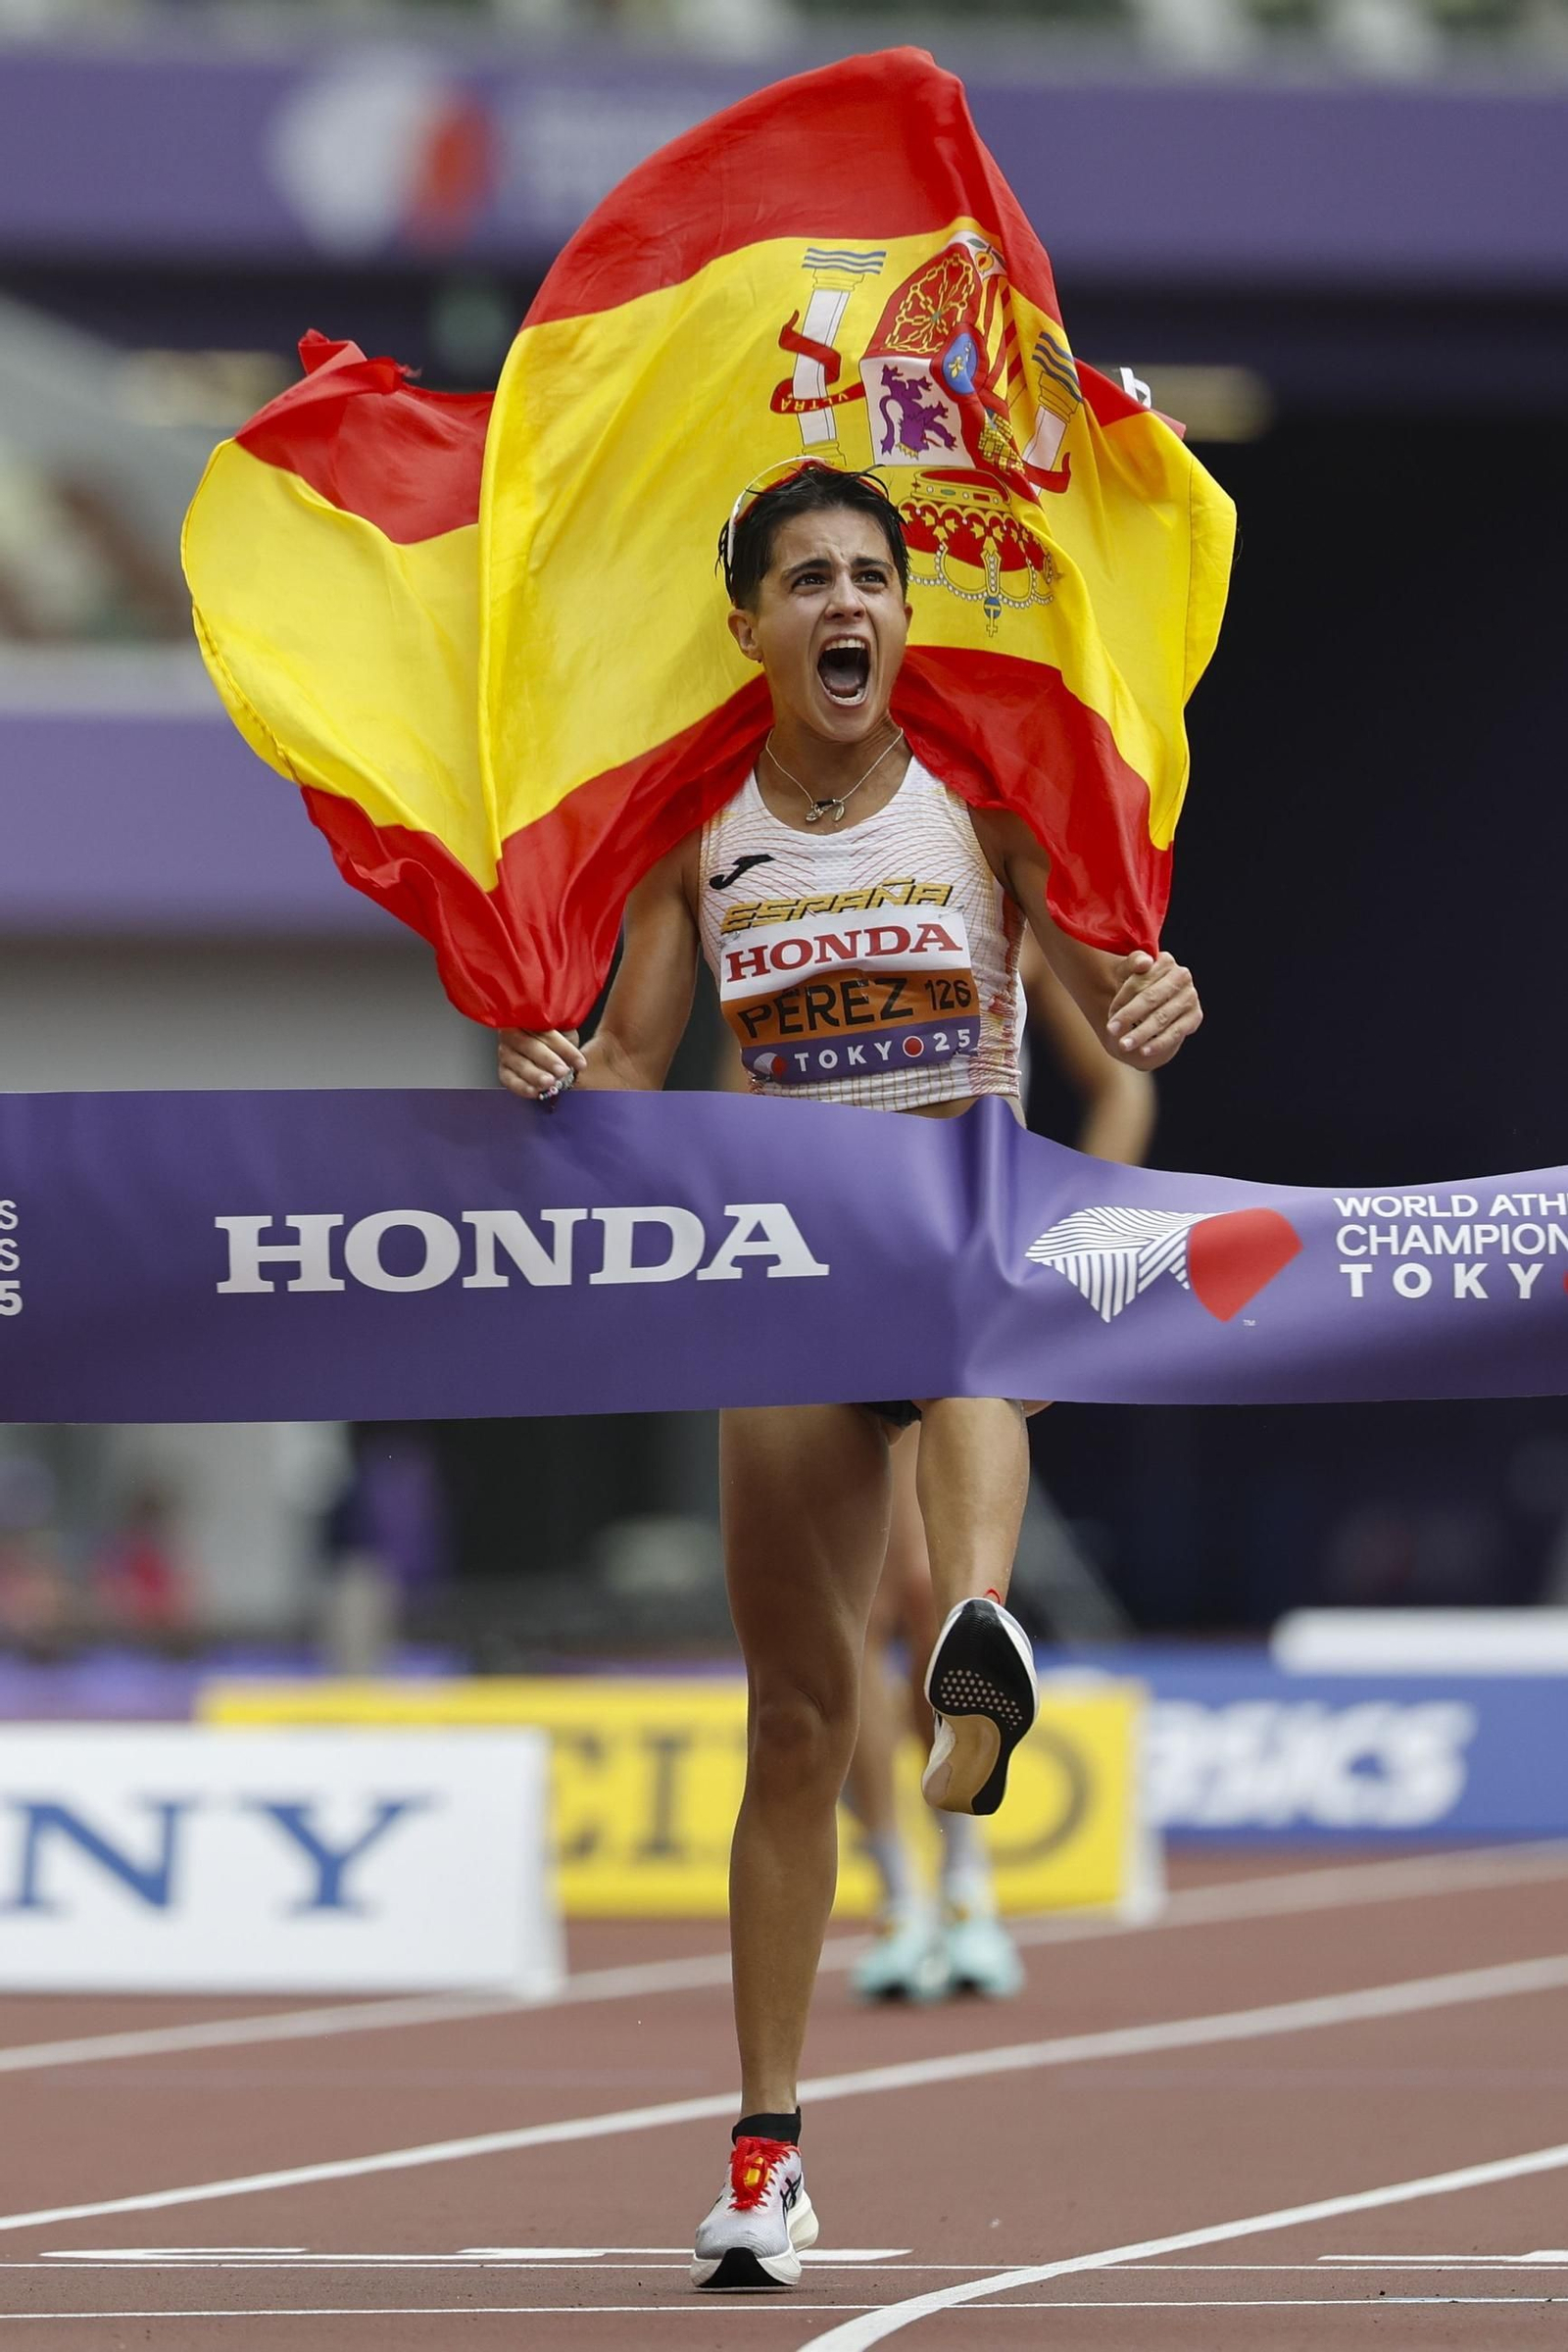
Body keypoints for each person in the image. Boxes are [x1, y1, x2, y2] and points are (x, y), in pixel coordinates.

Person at [497, 464, 1202, 2291]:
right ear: (751, 626)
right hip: (786, 1278)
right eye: (806, 579)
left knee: (980, 1343)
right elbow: (636, 1075)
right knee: (799, 1725)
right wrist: (560, 1073)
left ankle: (977, 1628)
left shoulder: (985, 799)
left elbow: (1115, 987)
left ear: (904, 614)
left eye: (872, 578)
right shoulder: (698, 837)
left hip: (958, 1243)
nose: (847, 604)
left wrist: (1153, 1000)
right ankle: (765, 2155)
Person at [846, 942, 1155, 2004]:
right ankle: (896, 1897)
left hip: (965, 1275)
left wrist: (1066, 1241)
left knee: (939, 1602)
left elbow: (1121, 1084)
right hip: (835, 1267)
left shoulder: (996, 903)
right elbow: (729, 1108)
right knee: (860, 1611)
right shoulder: (779, 927)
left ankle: (966, 1885)